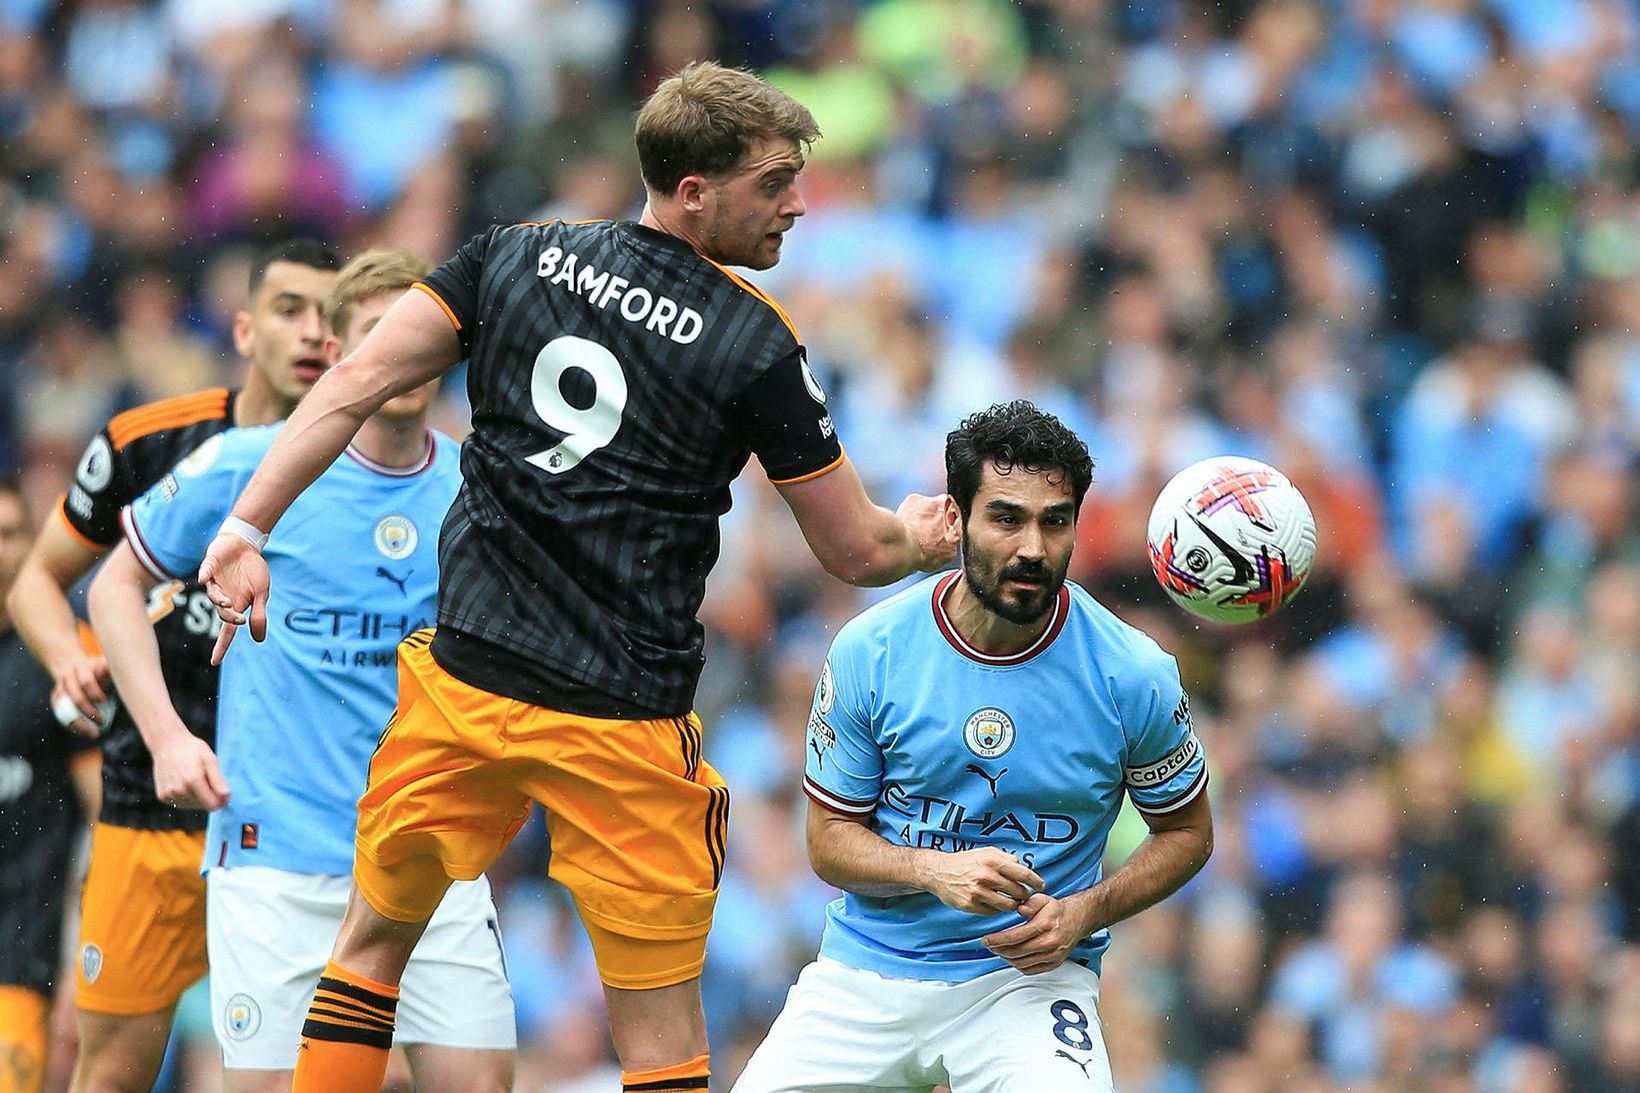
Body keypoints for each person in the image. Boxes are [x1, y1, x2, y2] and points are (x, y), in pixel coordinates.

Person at [198, 61, 957, 1093]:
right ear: (695, 192)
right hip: (620, 723)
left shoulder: (513, 256)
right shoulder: (753, 343)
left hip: (464, 687)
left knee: (369, 948)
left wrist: (247, 524)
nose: (797, 203)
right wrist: (923, 534)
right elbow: (855, 551)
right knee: (658, 1041)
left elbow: (356, 379)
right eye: (774, 181)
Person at [87, 248, 515, 1092]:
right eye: (378, 335)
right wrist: (170, 739)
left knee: (481, 1084)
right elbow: (113, 585)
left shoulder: (478, 487)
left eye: (418, 337)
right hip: (275, 856)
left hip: (427, 852)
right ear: (343, 350)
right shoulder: (255, 464)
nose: (404, 357)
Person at [733, 401, 1215, 1093]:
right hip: (866, 974)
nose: (1033, 547)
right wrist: (935, 870)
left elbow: (1189, 831)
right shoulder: (872, 649)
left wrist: (1085, 910)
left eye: (1055, 521)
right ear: (956, 519)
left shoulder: (1132, 673)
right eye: (1006, 517)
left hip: (1028, 984)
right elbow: (828, 840)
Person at [5, 238, 342, 1092]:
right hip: (148, 810)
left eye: (333, 318)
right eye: (290, 309)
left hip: (298, 827)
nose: (313, 333)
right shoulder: (149, 443)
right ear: (243, 328)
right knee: (112, 1074)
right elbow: (40, 583)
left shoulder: (374, 465)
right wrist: (68, 661)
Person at [0, 479, 100, 1093]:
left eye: (10, 534)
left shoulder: (64, 656)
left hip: (18, 958)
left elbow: (106, 817)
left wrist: (80, 966)